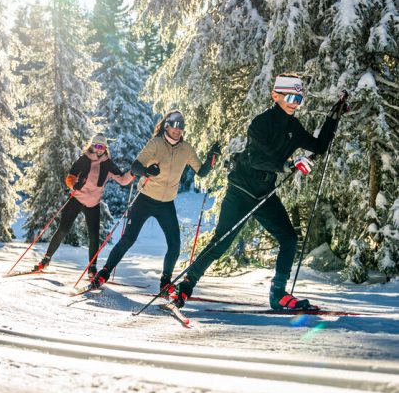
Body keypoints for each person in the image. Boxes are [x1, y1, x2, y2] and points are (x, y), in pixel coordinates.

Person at [169, 74, 347, 311]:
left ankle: (278, 294)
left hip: (264, 194)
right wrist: (288, 166)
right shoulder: (261, 123)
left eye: (299, 98)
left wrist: (333, 117)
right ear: (276, 95)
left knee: (289, 238)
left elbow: (319, 146)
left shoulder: (293, 127)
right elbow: (255, 159)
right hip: (241, 190)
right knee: (222, 243)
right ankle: (186, 286)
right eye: (291, 97)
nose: (295, 102)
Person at [90, 110, 220, 291]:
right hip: (144, 199)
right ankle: (103, 273)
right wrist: (147, 171)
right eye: (174, 129)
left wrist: (211, 157)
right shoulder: (156, 144)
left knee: (174, 244)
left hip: (166, 203)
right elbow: (136, 166)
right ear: (167, 127)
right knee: (129, 238)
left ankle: (165, 282)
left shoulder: (186, 149)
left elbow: (202, 171)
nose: (177, 132)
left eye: (180, 130)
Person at [33, 134, 133, 279]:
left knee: (94, 236)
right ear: (92, 145)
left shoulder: (108, 164)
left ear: (105, 148)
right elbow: (70, 177)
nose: (99, 150)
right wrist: (74, 184)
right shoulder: (83, 159)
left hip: (93, 204)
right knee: (63, 229)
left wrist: (133, 173)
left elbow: (123, 180)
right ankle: (46, 259)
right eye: (97, 146)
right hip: (77, 199)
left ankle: (92, 268)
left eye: (102, 147)